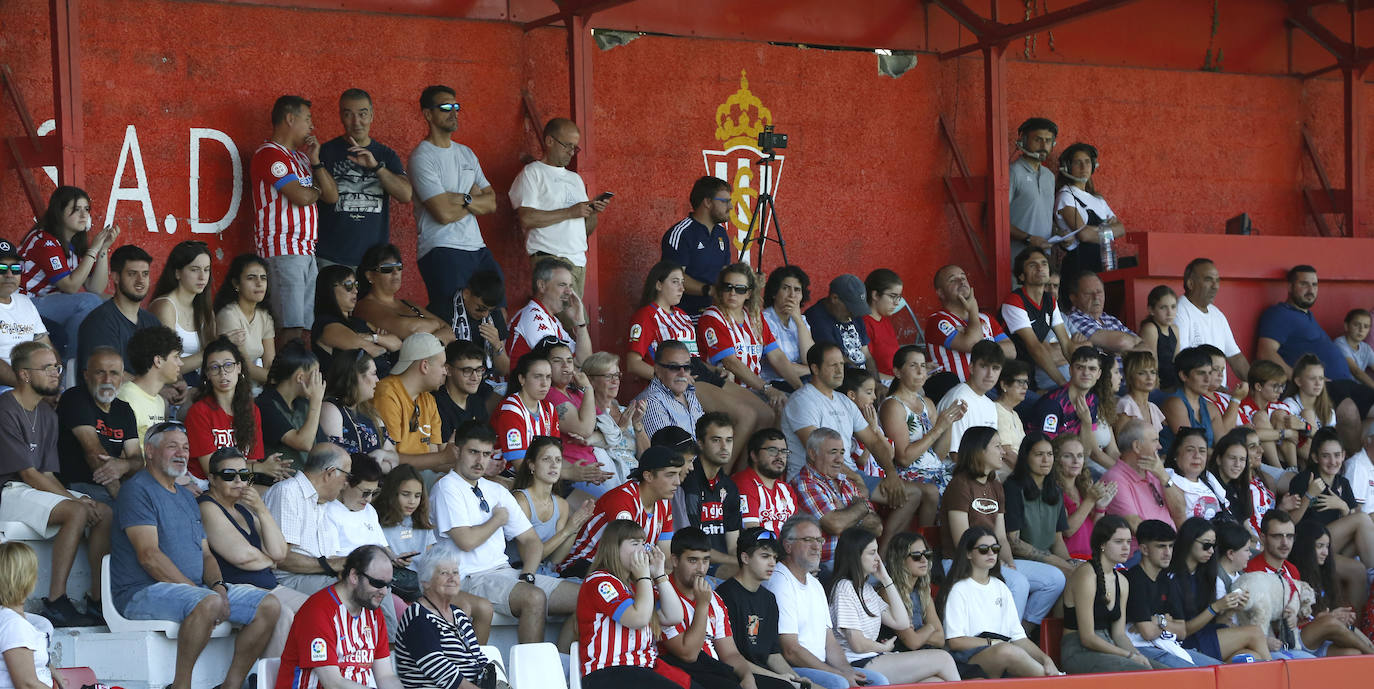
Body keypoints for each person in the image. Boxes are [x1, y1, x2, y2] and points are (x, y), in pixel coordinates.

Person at [112, 422, 280, 689]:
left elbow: (206, 555)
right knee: (208, 603)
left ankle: (231, 685)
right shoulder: (137, 490)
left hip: (195, 590)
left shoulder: (187, 497)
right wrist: (202, 594)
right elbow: (149, 556)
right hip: (141, 591)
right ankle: (181, 685)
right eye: (172, 446)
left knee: (269, 606)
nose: (181, 453)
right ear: (150, 452)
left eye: (186, 448)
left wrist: (218, 587)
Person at [430, 422, 581, 644]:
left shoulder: (496, 489)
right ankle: (534, 673)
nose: (480, 460)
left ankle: (563, 663)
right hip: (470, 577)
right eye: (473, 452)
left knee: (586, 596)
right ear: (456, 451)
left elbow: (532, 541)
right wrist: (497, 520)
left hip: (507, 573)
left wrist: (528, 575)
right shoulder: (447, 487)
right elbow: (466, 541)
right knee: (534, 598)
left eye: (486, 454)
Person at [0, 341, 111, 626]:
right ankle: (57, 601)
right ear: (24, 374)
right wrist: (75, 502)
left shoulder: (48, 414)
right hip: (8, 490)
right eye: (47, 368)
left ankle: (97, 600)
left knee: (104, 512)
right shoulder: (5, 408)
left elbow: (47, 474)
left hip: (32, 487)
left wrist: (79, 499)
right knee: (77, 511)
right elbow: (27, 473)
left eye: (57, 367)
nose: (55, 374)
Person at [628, 261, 783, 462]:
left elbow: (694, 357)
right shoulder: (645, 316)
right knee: (747, 416)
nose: (682, 288)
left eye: (683, 282)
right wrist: (674, 377)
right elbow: (633, 363)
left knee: (766, 414)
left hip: (701, 371)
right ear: (658, 285)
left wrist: (714, 369)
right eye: (675, 282)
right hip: (682, 380)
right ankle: (723, 477)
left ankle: (744, 473)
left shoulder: (682, 315)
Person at [941, 426, 1066, 628]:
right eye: (998, 446)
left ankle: (1020, 631)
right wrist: (998, 563)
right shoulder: (960, 485)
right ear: (979, 451)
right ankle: (1002, 641)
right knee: (1018, 583)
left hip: (992, 558)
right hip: (961, 561)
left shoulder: (995, 486)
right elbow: (962, 540)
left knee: (1055, 579)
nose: (1003, 452)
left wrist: (1008, 561)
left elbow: (1000, 534)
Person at [197, 447, 308, 656]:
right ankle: (270, 680)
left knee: (320, 610)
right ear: (212, 479)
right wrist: (270, 560)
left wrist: (261, 509)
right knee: (282, 615)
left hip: (269, 587)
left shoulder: (244, 508)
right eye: (229, 475)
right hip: (236, 588)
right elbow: (244, 557)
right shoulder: (207, 505)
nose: (239, 481)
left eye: (245, 475)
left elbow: (280, 552)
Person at [1257, 265, 1374, 453]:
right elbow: (1266, 352)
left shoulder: (1307, 316)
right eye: (1304, 284)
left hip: (1345, 384)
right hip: (1321, 385)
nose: (1311, 290)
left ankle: (1366, 465)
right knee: (1349, 412)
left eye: (1314, 284)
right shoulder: (1279, 314)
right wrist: (1300, 378)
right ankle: (1352, 471)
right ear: (1289, 287)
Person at [660, 526, 794, 689]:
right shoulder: (662, 595)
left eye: (706, 560)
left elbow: (730, 653)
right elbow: (688, 655)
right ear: (674, 560)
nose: (701, 569)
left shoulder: (715, 599)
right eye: (693, 560)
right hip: (682, 672)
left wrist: (747, 676)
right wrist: (702, 606)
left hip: (717, 670)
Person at [376, 464, 495, 644]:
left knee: (484, 608)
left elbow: (432, 557)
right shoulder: (376, 521)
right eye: (405, 494)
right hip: (394, 587)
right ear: (392, 493)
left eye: (417, 495)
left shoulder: (422, 522)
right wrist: (392, 560)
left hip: (423, 586)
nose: (412, 501)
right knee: (432, 613)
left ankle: (476, 664)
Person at [252, 96, 336, 343]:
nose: (312, 127)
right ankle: (284, 380)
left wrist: (317, 162)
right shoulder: (269, 154)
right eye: (307, 119)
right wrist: (315, 193)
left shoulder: (301, 158)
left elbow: (331, 196)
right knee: (289, 328)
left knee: (305, 329)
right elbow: (300, 195)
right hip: (283, 250)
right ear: (290, 118)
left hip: (306, 251)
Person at [409, 85, 500, 314]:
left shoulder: (466, 153)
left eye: (456, 106)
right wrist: (473, 201)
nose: (454, 112)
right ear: (428, 114)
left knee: (497, 312)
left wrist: (460, 198)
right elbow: (443, 214)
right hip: (441, 248)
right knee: (456, 317)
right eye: (445, 107)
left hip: (477, 247)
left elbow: (492, 202)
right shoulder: (422, 157)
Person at [827, 528, 960, 683]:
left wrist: (886, 579)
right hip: (855, 664)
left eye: (877, 552)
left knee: (935, 683)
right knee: (943, 658)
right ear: (856, 556)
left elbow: (901, 622)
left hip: (873, 658)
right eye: (872, 553)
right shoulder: (845, 587)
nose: (878, 558)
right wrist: (882, 648)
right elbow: (857, 644)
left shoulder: (867, 589)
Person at [767, 515, 883, 687]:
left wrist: (847, 671)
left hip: (821, 666)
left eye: (819, 540)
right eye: (808, 540)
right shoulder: (779, 581)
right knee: (839, 683)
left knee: (879, 681)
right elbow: (791, 650)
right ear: (787, 546)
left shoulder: (815, 584)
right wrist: (839, 674)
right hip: (794, 669)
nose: (816, 546)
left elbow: (830, 641)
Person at [575, 519, 685, 689]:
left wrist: (660, 575)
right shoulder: (600, 582)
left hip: (644, 669)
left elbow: (674, 616)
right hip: (609, 673)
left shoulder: (637, 587)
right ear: (614, 548)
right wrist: (643, 577)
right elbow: (638, 619)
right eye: (635, 544)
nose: (643, 550)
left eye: (644, 543)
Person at [940, 526, 1060, 677]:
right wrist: (991, 643)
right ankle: (1055, 682)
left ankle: (1052, 678)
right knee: (1007, 650)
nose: (991, 553)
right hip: (967, 661)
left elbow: (1019, 638)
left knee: (1010, 650)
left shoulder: (1001, 587)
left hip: (1002, 652)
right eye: (983, 549)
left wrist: (1046, 659)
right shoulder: (958, 589)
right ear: (968, 553)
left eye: (995, 548)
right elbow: (955, 641)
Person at [276, 545, 402, 689]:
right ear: (354, 576)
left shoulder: (373, 612)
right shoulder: (318, 612)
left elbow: (385, 676)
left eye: (388, 584)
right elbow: (333, 683)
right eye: (378, 583)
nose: (384, 592)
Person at [317, 88, 412, 271]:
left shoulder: (386, 154)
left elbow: (406, 195)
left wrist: (376, 167)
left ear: (372, 116)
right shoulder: (325, 152)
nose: (356, 122)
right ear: (341, 117)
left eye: (362, 114)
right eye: (348, 115)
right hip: (331, 256)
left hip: (374, 261)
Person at [512, 118, 609, 294]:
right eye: (567, 145)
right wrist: (570, 212)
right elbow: (526, 218)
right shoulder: (533, 173)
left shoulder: (575, 179)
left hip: (578, 261)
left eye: (575, 147)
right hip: (550, 259)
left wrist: (592, 212)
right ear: (549, 141)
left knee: (570, 321)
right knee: (576, 321)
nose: (572, 152)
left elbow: (585, 230)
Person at [558, 446, 683, 577]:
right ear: (648, 476)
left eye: (678, 474)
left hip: (624, 570)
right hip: (585, 565)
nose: (678, 482)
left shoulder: (664, 503)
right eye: (670, 475)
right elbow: (624, 558)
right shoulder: (622, 500)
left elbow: (665, 559)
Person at [19, 185, 112, 358]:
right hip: (24, 303)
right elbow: (69, 286)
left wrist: (103, 249)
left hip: (47, 304)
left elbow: (96, 288)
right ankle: (71, 365)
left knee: (110, 303)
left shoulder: (75, 245)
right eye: (76, 210)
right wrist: (94, 249)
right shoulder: (44, 240)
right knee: (87, 302)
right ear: (59, 213)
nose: (84, 215)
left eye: (86, 209)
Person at [715, 528, 816, 688]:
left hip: (766, 673)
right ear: (745, 557)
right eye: (765, 556)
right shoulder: (726, 595)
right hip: (738, 675)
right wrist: (780, 679)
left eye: (774, 558)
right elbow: (731, 658)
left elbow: (772, 653)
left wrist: (796, 678)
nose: (772, 563)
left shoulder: (769, 599)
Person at [1122, 519, 1226, 667]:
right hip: (1140, 648)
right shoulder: (1134, 579)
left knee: (1220, 669)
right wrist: (1165, 621)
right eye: (1161, 547)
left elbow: (1182, 631)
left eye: (1171, 546)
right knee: (1197, 675)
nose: (1168, 553)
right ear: (1144, 550)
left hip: (1168, 645)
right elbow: (1148, 632)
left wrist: (1158, 621)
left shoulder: (1166, 579)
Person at [1285, 426, 1374, 598]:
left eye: (1337, 455)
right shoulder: (1303, 479)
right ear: (1315, 457)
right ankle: (1373, 575)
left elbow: (1351, 520)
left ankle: (1357, 622)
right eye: (1326, 456)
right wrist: (1309, 495)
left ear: (1343, 455)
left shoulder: (1343, 483)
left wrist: (1342, 506)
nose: (1333, 461)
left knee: (1358, 565)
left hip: (1330, 547)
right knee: (1362, 520)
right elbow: (1290, 524)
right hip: (1307, 547)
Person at [1059, 516, 1153, 672]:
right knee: (1145, 675)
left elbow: (1119, 635)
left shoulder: (1122, 581)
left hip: (1109, 647)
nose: (1126, 547)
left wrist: (1137, 655)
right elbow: (1087, 638)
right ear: (1102, 544)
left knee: (1163, 671)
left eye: (1129, 542)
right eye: (1119, 542)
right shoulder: (1086, 575)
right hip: (1078, 651)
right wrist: (1129, 656)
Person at [393, 541, 491, 689]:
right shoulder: (418, 618)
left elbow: (478, 659)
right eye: (444, 573)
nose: (452, 578)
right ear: (425, 582)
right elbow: (446, 676)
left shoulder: (458, 615)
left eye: (456, 572)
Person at [699, 263, 792, 418]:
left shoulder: (754, 317)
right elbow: (731, 363)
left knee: (794, 407)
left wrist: (802, 389)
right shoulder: (712, 317)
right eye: (728, 287)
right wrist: (768, 389)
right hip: (727, 389)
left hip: (755, 388)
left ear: (748, 293)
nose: (732, 293)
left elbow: (777, 356)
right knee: (772, 414)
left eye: (740, 289)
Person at [263, 443, 352, 594]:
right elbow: (281, 559)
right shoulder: (288, 492)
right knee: (357, 589)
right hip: (288, 581)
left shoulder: (324, 502)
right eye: (347, 476)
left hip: (319, 577)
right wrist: (331, 564)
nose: (346, 484)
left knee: (373, 583)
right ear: (330, 473)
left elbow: (331, 557)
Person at [57, 347, 142, 505]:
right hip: (76, 487)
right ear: (86, 375)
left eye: (114, 373)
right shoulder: (75, 398)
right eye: (100, 372)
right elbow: (94, 453)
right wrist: (122, 500)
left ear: (122, 377)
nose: (107, 380)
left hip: (111, 487)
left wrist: (125, 465)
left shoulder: (124, 409)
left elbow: (137, 460)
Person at [880, 345, 962, 505]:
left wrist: (949, 423)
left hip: (936, 470)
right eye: (913, 365)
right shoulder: (893, 406)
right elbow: (903, 459)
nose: (920, 371)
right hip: (911, 475)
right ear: (897, 372)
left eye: (923, 366)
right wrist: (938, 428)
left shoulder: (928, 403)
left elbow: (937, 454)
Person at [792, 428, 881, 569]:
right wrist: (862, 508)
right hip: (827, 566)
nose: (840, 460)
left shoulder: (845, 481)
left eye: (842, 453)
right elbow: (835, 525)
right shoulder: (805, 483)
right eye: (833, 452)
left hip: (858, 561)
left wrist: (846, 514)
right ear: (812, 454)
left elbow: (877, 526)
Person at [186, 338, 269, 486]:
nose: (223, 373)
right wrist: (259, 468)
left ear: (239, 368)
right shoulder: (199, 412)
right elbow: (211, 471)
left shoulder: (252, 410)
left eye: (228, 365)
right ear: (207, 374)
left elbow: (251, 461)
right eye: (215, 367)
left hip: (239, 485)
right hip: (207, 486)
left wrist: (248, 487)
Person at [925, 265, 1014, 399]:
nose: (961, 281)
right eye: (953, 280)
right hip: (960, 392)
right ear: (940, 293)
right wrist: (973, 311)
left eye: (963, 277)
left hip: (993, 388)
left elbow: (1011, 351)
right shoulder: (938, 321)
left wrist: (978, 339)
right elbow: (973, 345)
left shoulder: (986, 318)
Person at [1027, 345, 1121, 472]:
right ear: (1071, 370)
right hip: (1046, 468)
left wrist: (1086, 422)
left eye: (1092, 369)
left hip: (1074, 466)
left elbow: (1086, 451)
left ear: (1099, 374)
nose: (1086, 373)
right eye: (1080, 367)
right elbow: (1047, 453)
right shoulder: (1053, 404)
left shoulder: (1092, 400)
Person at [1288, 520, 1374, 655]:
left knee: (1353, 654)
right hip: (1297, 638)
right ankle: (1371, 655)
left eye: (1327, 547)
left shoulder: (1322, 573)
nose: (1325, 552)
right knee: (1330, 622)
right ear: (1306, 547)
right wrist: (1327, 618)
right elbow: (1292, 619)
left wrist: (1344, 621)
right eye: (1320, 546)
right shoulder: (1292, 572)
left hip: (1321, 638)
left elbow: (1326, 616)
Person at [510, 437, 594, 573]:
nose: (554, 465)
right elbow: (528, 558)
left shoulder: (562, 504)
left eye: (558, 460)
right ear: (532, 465)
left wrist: (574, 528)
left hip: (544, 572)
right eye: (546, 459)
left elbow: (554, 560)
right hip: (517, 571)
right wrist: (567, 530)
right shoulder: (521, 500)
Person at [673, 414, 743, 578]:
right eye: (716, 440)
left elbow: (733, 546)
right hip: (693, 564)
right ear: (700, 444)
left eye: (729, 440)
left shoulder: (730, 487)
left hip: (723, 565)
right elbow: (692, 545)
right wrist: (742, 563)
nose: (724, 446)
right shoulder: (687, 482)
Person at [1002, 247, 1080, 390]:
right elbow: (1035, 347)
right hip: (1009, 379)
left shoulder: (1050, 301)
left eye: (1044, 264)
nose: (1040, 268)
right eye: (1033, 265)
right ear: (1021, 276)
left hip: (1030, 376)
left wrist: (1080, 377)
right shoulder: (1014, 301)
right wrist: (1065, 385)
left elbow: (1066, 343)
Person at [1246, 511, 1321, 658]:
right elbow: (1251, 618)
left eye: (1290, 536)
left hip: (1291, 640)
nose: (1285, 543)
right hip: (1267, 646)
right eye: (1277, 536)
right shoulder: (1252, 571)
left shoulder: (1292, 570)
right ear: (1263, 538)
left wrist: (1299, 617)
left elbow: (1295, 615)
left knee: (1349, 653)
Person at [373, 332, 452, 471]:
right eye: (442, 365)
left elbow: (432, 460)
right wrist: (445, 457)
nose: (445, 372)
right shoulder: (386, 394)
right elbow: (389, 458)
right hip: (395, 481)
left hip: (420, 479)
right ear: (425, 366)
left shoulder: (428, 399)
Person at [1004, 433, 1078, 582]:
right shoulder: (1012, 488)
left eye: (1049, 454)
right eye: (1039, 454)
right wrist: (1058, 563)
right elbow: (1014, 543)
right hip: (1018, 562)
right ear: (1026, 457)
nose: (1046, 460)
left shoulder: (1055, 490)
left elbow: (1057, 541)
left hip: (1048, 563)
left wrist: (1070, 563)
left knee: (1083, 576)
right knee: (1059, 578)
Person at [76, 244, 158, 376]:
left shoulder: (151, 321)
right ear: (115, 277)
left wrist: (178, 383)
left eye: (145, 274)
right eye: (132, 274)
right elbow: (109, 376)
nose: (140, 280)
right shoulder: (100, 322)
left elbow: (167, 360)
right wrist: (155, 389)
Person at [355, 244, 456, 350]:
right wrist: (436, 328)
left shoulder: (408, 303)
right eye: (387, 268)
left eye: (399, 267)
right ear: (369, 275)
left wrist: (430, 342)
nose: (395, 272)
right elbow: (410, 330)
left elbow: (449, 331)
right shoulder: (364, 306)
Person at [662, 176, 734, 320]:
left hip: (716, 316)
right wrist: (709, 290)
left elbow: (725, 273)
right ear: (707, 202)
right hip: (683, 319)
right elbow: (673, 279)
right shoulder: (681, 233)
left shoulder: (721, 233)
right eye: (725, 201)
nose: (730, 207)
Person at [311, 265, 402, 377]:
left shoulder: (358, 321)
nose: (355, 291)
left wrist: (372, 337)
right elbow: (373, 351)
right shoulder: (327, 324)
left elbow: (397, 343)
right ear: (329, 289)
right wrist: (383, 344)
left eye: (356, 285)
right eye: (348, 285)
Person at [1053, 143, 1124, 279]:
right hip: (1079, 268)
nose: (1084, 167)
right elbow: (1084, 235)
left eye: (1087, 162)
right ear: (1067, 167)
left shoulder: (1098, 200)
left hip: (1104, 265)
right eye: (1077, 162)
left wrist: (1095, 231)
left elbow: (1121, 229)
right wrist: (1108, 230)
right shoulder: (1066, 196)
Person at [1101, 419, 1183, 537]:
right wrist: (1167, 544)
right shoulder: (1115, 478)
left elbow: (1179, 512)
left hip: (1168, 547)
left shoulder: (1156, 471)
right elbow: (1135, 525)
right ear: (1137, 446)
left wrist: (1164, 476)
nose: (1160, 446)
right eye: (1155, 441)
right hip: (1143, 552)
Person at [1173, 258, 1249, 383]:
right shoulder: (1179, 311)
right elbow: (1181, 361)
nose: (1215, 286)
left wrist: (1258, 386)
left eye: (1217, 281)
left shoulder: (1217, 314)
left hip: (1219, 395)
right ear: (1190, 284)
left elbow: (1235, 357)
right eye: (1208, 280)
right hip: (1197, 394)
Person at [319, 352, 401, 466]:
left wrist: (381, 454)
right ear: (355, 376)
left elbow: (395, 458)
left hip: (375, 482)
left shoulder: (370, 412)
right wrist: (379, 464)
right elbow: (338, 463)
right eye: (373, 374)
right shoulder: (331, 410)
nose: (377, 380)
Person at [150, 240, 215, 381]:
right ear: (177, 273)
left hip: (198, 381)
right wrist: (213, 351)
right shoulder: (166, 306)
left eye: (206, 269)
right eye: (194, 269)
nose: (202, 276)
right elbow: (167, 365)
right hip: (171, 385)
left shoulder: (204, 308)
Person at [507, 257, 592, 364]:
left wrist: (580, 323)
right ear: (542, 286)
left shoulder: (552, 320)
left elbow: (584, 361)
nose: (569, 292)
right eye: (562, 285)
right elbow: (561, 369)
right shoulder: (534, 318)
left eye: (570, 286)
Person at [582, 351, 646, 491]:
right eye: (608, 376)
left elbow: (647, 457)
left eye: (617, 375)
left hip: (637, 480)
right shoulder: (585, 415)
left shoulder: (626, 411)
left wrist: (637, 424)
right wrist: (620, 428)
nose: (615, 380)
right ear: (590, 381)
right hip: (607, 483)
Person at [544, 341, 606, 487]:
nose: (566, 366)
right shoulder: (550, 394)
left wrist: (590, 439)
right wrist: (589, 388)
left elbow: (607, 425)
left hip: (593, 468)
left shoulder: (575, 392)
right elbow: (584, 429)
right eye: (557, 361)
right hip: (569, 473)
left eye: (569, 361)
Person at [256, 342, 324, 474]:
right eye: (315, 374)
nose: (319, 381)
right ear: (300, 377)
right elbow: (303, 443)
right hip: (278, 485)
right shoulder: (264, 405)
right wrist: (316, 401)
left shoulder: (303, 404)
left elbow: (321, 446)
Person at [213, 253, 275, 389]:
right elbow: (245, 367)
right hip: (234, 386)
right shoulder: (229, 315)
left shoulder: (264, 315)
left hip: (259, 383)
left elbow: (270, 362)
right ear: (236, 284)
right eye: (251, 278)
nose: (259, 283)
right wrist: (281, 381)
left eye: (263, 278)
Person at [0, 542, 58, 689]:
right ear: (27, 578)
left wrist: (51, 669)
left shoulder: (11, 619)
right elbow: (26, 684)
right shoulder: (13, 624)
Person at [493, 350, 561, 468]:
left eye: (548, 377)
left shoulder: (549, 409)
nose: (545, 383)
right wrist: (569, 473)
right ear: (522, 379)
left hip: (541, 475)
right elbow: (520, 466)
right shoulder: (511, 410)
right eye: (537, 377)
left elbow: (555, 453)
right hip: (508, 477)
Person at [881, 532, 946, 654]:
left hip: (922, 654)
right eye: (916, 555)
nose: (923, 560)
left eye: (926, 554)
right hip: (898, 656)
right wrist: (930, 627)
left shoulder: (922, 590)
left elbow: (941, 639)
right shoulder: (887, 592)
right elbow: (912, 642)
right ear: (899, 559)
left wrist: (919, 634)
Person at [935, 340, 1000, 461]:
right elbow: (955, 455)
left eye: (995, 368)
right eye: (984, 366)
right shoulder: (959, 399)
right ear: (971, 367)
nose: (990, 374)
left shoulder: (990, 405)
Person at [117, 326, 181, 445]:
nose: (180, 363)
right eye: (176, 357)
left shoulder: (160, 401)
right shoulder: (126, 397)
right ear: (158, 361)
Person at [1054, 434, 1113, 560]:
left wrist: (1100, 509)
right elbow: (1067, 530)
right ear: (1056, 459)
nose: (1076, 461)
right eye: (1068, 456)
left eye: (1080, 456)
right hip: (1069, 559)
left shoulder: (1083, 488)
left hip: (1091, 557)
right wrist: (1090, 500)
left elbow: (1096, 534)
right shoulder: (1054, 490)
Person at [1161, 347, 1231, 451]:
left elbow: (1224, 447)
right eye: (1201, 373)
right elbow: (1191, 445)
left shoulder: (1211, 408)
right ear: (1184, 375)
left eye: (1210, 373)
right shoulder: (1174, 403)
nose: (1208, 379)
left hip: (1204, 464)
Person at [804, 274, 876, 375]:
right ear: (835, 298)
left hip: (865, 382)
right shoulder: (817, 318)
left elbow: (867, 354)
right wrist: (869, 383)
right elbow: (838, 360)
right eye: (851, 308)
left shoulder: (855, 314)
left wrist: (876, 383)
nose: (853, 315)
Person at [633, 341, 705, 441]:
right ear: (658, 370)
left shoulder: (689, 393)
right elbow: (667, 453)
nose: (682, 373)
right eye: (674, 367)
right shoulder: (652, 401)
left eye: (687, 367)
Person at [445, 270, 509, 380]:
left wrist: (497, 345)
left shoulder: (495, 315)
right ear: (466, 294)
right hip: (454, 381)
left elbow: (504, 370)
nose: (485, 314)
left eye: (490, 310)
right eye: (481, 308)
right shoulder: (445, 310)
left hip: (486, 380)